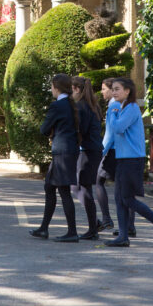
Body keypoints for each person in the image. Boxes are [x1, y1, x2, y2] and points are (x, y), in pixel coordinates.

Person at [103, 77, 153, 248]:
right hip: (123, 158)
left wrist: (111, 114)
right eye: (113, 89)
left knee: (127, 199)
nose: (114, 92)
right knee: (120, 199)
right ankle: (123, 236)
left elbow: (118, 128)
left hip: (132, 159)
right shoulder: (123, 108)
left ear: (127, 91)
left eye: (117, 89)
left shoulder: (131, 108)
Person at [29, 73, 80, 243]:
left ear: (56, 88)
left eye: (51, 87)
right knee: (50, 187)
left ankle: (72, 232)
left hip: (62, 152)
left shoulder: (57, 106)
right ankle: (44, 228)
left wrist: (51, 130)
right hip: (68, 151)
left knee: (64, 191)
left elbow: (44, 129)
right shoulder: (71, 105)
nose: (51, 90)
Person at [94, 78, 135, 236]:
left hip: (114, 151)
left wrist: (101, 151)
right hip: (119, 151)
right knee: (124, 189)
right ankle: (128, 226)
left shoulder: (114, 105)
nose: (102, 92)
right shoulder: (119, 105)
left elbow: (111, 134)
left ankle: (108, 219)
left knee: (100, 182)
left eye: (104, 89)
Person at [70, 76, 103, 240]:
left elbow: (80, 130)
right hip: (92, 150)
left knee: (84, 187)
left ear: (76, 89)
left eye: (71, 90)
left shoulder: (82, 107)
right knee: (77, 185)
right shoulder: (92, 105)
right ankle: (94, 223)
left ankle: (93, 229)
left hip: (88, 151)